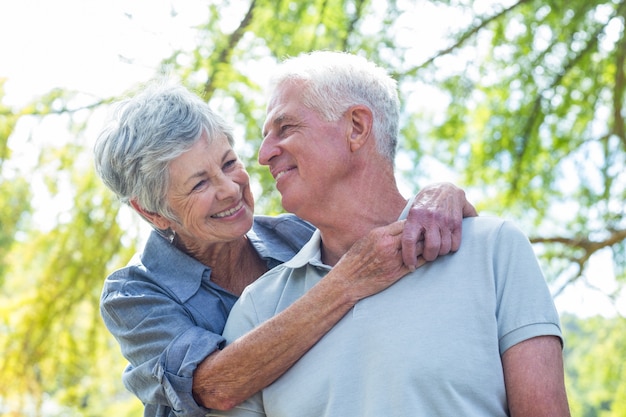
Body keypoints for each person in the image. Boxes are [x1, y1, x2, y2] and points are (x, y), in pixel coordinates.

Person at [211, 51, 571, 417]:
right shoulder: (259, 308)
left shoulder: (493, 251)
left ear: (356, 127)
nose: (263, 154)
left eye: (285, 128)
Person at [93, 83, 477, 417]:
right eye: (199, 184)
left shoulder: (297, 234)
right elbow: (214, 387)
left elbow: (390, 239)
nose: (229, 188)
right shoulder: (134, 293)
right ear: (151, 211)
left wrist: (439, 196)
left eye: (229, 163)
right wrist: (345, 282)